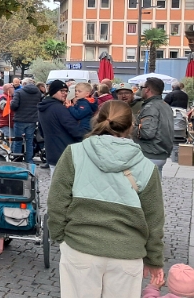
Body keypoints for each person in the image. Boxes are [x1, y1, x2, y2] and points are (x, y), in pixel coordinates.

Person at [48, 100, 164, 298]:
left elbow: (57, 200)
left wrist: (60, 236)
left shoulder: (74, 153)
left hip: (80, 247)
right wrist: (154, 259)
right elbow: (154, 218)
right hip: (127, 252)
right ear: (130, 126)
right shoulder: (146, 167)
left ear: (97, 120)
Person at [38, 80, 87, 176]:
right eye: (62, 91)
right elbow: (74, 129)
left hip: (52, 152)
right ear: (53, 92)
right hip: (64, 152)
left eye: (66, 91)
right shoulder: (59, 108)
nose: (65, 93)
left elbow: (41, 130)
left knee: (55, 185)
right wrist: (87, 136)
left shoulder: (43, 107)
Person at [133, 77, 175, 174]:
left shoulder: (151, 107)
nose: (140, 90)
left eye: (141, 87)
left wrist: (131, 127)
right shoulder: (165, 105)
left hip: (150, 153)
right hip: (160, 152)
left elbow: (147, 133)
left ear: (147, 89)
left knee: (146, 186)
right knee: (155, 185)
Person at [10, 78, 42, 163]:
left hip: (20, 119)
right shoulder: (38, 93)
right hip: (32, 120)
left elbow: (14, 106)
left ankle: (17, 159)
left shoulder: (19, 92)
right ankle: (29, 160)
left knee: (18, 140)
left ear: (24, 84)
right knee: (29, 141)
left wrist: (11, 104)